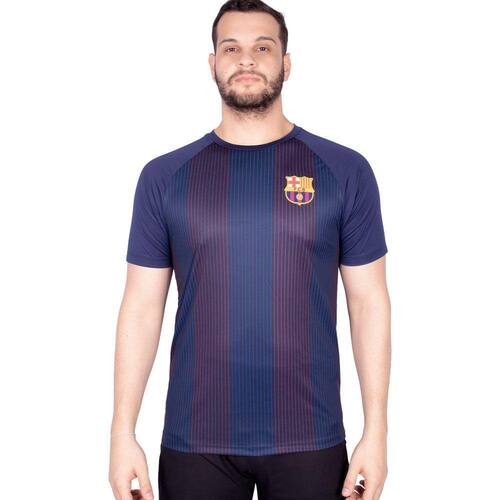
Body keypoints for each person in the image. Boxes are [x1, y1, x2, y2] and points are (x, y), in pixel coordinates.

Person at [109, 1, 391, 499]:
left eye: (262, 48)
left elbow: (368, 302)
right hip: (196, 439)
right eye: (231, 48)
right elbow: (141, 306)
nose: (246, 59)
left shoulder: (344, 170)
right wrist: (122, 432)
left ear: (286, 63)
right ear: (212, 63)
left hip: (311, 436)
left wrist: (377, 431)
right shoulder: (164, 177)